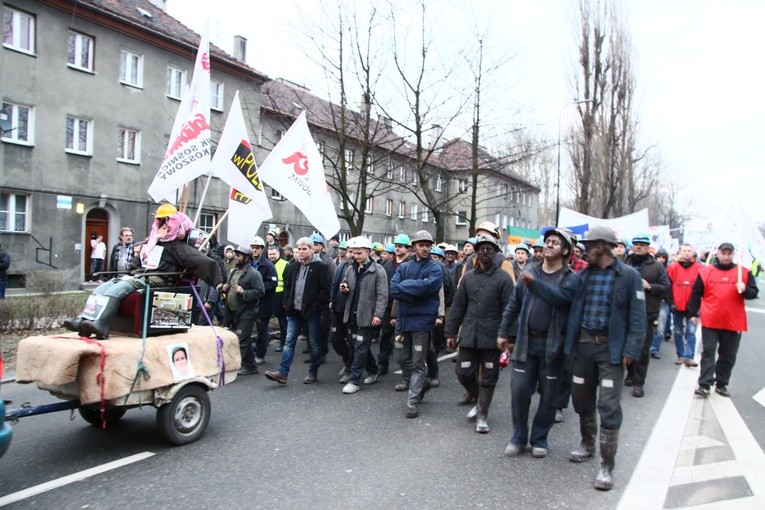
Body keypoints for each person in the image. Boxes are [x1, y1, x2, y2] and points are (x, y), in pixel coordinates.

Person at [564, 225, 645, 491]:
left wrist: (631, 350)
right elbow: (564, 298)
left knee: (609, 406)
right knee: (581, 399)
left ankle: (606, 466)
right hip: (584, 347)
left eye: (588, 246)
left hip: (611, 350)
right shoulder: (583, 275)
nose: (584, 250)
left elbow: (637, 317)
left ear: (601, 246)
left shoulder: (629, 276)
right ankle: (587, 444)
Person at [64, 204, 222, 339]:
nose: (161, 229)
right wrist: (131, 271)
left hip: (158, 280)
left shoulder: (177, 248)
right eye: (160, 225)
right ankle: (83, 321)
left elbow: (203, 262)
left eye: (166, 226)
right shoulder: (151, 243)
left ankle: (102, 325)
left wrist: (219, 282)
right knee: (102, 287)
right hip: (140, 276)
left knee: (118, 289)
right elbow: (137, 262)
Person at [498, 228, 580, 454]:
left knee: (549, 395)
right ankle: (518, 437)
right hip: (526, 342)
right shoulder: (531, 272)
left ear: (566, 250)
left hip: (553, 346)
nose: (549, 245)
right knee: (520, 390)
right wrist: (504, 331)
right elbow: (514, 304)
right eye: (548, 241)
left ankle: (540, 438)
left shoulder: (571, 279)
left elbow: (564, 303)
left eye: (555, 242)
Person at [445, 234, 514, 433]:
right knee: (463, 372)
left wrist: (508, 338)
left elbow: (509, 310)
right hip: (469, 336)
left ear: (495, 252)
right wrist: (450, 332)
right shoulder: (468, 278)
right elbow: (458, 307)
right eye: (481, 249)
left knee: (489, 377)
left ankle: (482, 415)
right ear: (476, 252)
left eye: (489, 249)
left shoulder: (503, 279)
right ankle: (478, 399)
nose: (485, 253)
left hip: (492, 339)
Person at [688, 242, 759, 398]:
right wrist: (692, 313)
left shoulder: (744, 273)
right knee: (708, 352)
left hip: (734, 320)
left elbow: (754, 293)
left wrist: (745, 288)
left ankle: (721, 383)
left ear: (733, 255)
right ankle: (705, 385)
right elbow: (696, 293)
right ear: (718, 254)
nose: (726, 256)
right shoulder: (705, 272)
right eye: (723, 253)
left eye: (729, 253)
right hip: (711, 319)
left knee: (728, 355)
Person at [390, 229, 442, 418]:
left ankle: (412, 401)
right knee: (401, 357)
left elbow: (429, 287)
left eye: (428, 245)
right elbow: (394, 289)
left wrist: (407, 288)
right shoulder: (404, 267)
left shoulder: (435, 268)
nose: (425, 249)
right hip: (403, 321)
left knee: (419, 363)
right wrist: (416, 290)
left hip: (422, 322)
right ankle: (423, 384)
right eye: (421, 245)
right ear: (414, 247)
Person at [264, 237, 330, 385]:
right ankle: (282, 372)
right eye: (299, 249)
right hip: (294, 311)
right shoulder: (293, 267)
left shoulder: (320, 267)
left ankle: (313, 371)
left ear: (312, 249)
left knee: (313, 342)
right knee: (289, 341)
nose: (301, 252)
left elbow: (325, 291)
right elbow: (288, 287)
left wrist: (316, 306)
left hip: (312, 311)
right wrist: (287, 303)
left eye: (304, 249)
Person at [623, 233, 670, 398]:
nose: (638, 246)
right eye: (636, 243)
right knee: (627, 347)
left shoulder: (657, 266)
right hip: (625, 312)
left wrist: (649, 286)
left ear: (648, 247)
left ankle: (639, 382)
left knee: (643, 350)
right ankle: (630, 373)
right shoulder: (625, 262)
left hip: (646, 313)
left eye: (642, 244)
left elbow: (665, 287)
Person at [339, 237, 388, 394]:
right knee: (357, 346)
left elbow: (383, 295)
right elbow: (345, 282)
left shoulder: (378, 271)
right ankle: (373, 371)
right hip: (352, 313)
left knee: (360, 347)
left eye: (359, 253)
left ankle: (354, 380)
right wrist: (344, 287)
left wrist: (378, 314)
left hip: (368, 315)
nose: (356, 256)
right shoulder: (350, 268)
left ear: (368, 252)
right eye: (353, 252)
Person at [221, 246, 265, 376]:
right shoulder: (233, 272)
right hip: (234, 312)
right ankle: (251, 366)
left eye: (239, 255)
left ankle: (233, 367)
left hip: (247, 312)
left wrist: (244, 292)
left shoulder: (254, 274)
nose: (236, 257)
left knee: (241, 340)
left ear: (247, 258)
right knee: (243, 339)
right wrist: (224, 288)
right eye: (236, 255)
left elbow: (260, 292)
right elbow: (228, 288)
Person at [379, 233, 412, 376]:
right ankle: (382, 364)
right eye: (396, 246)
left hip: (404, 306)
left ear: (407, 249)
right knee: (385, 335)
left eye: (400, 246)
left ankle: (407, 367)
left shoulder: (411, 264)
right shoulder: (388, 264)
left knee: (403, 338)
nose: (397, 249)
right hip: (388, 304)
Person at [667, 244, 702, 367]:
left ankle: (689, 357)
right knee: (677, 331)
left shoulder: (699, 268)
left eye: (689, 251)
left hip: (693, 307)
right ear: (680, 252)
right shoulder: (673, 267)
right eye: (684, 251)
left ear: (693, 253)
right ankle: (680, 355)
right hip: (678, 305)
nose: (686, 253)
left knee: (691, 332)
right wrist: (670, 302)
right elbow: (668, 286)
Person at [249, 236, 278, 365]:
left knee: (262, 329)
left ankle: (261, 354)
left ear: (262, 249)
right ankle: (252, 351)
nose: (254, 250)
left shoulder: (268, 265)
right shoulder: (248, 263)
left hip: (264, 303)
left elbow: (273, 283)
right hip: (249, 302)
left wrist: (258, 289)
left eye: (257, 248)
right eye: (253, 248)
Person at [649, 248, 672, 360]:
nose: (661, 259)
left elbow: (668, 287)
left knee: (660, 328)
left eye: (663, 257)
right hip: (651, 301)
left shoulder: (669, 270)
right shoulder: (650, 268)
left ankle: (654, 349)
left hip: (663, 302)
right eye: (659, 257)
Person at [268, 245, 289, 352]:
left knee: (282, 321)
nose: (271, 256)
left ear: (278, 253)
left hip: (281, 296)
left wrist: (285, 300)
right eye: (270, 254)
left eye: (273, 254)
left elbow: (287, 284)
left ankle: (284, 343)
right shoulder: (267, 265)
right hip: (270, 296)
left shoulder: (285, 264)